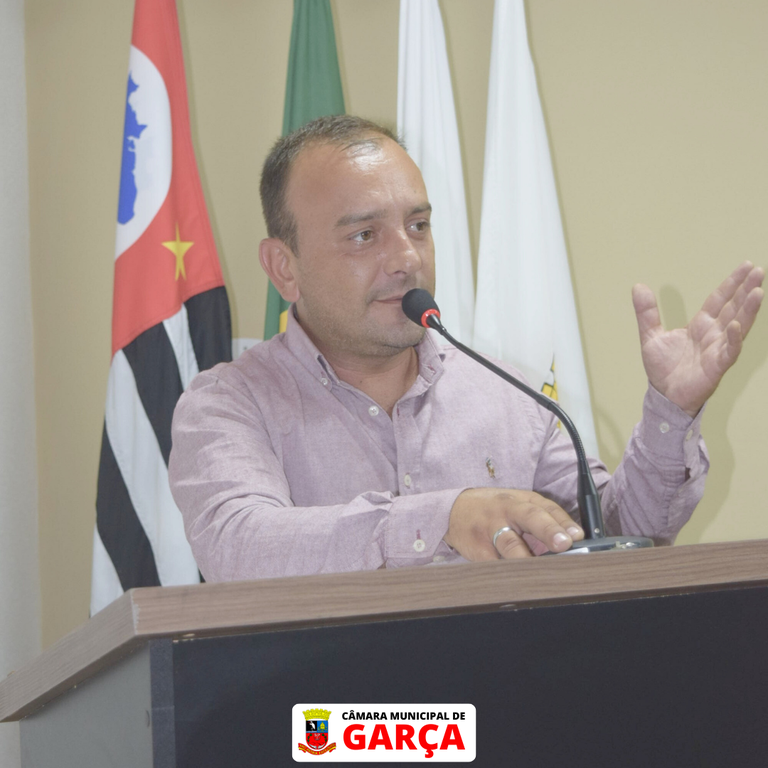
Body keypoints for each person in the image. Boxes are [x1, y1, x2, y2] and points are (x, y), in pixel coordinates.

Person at [168, 115, 764, 582]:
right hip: (329, 705)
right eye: (364, 235)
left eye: (418, 226)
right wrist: (443, 518)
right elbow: (239, 547)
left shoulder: (509, 394)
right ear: (284, 267)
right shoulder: (229, 404)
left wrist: (671, 410)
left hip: (513, 693)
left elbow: (611, 534)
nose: (407, 258)